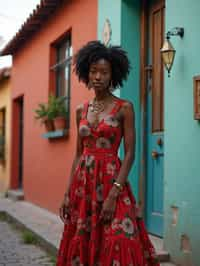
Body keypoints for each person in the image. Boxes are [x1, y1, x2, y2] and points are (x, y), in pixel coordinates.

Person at [56, 41, 159, 266]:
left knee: (120, 239)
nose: (98, 77)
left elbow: (130, 153)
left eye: (104, 72)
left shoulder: (124, 108)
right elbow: (77, 154)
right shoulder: (79, 110)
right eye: (93, 71)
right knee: (84, 240)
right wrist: (67, 193)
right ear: (86, 72)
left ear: (113, 75)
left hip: (113, 183)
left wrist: (114, 193)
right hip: (83, 187)